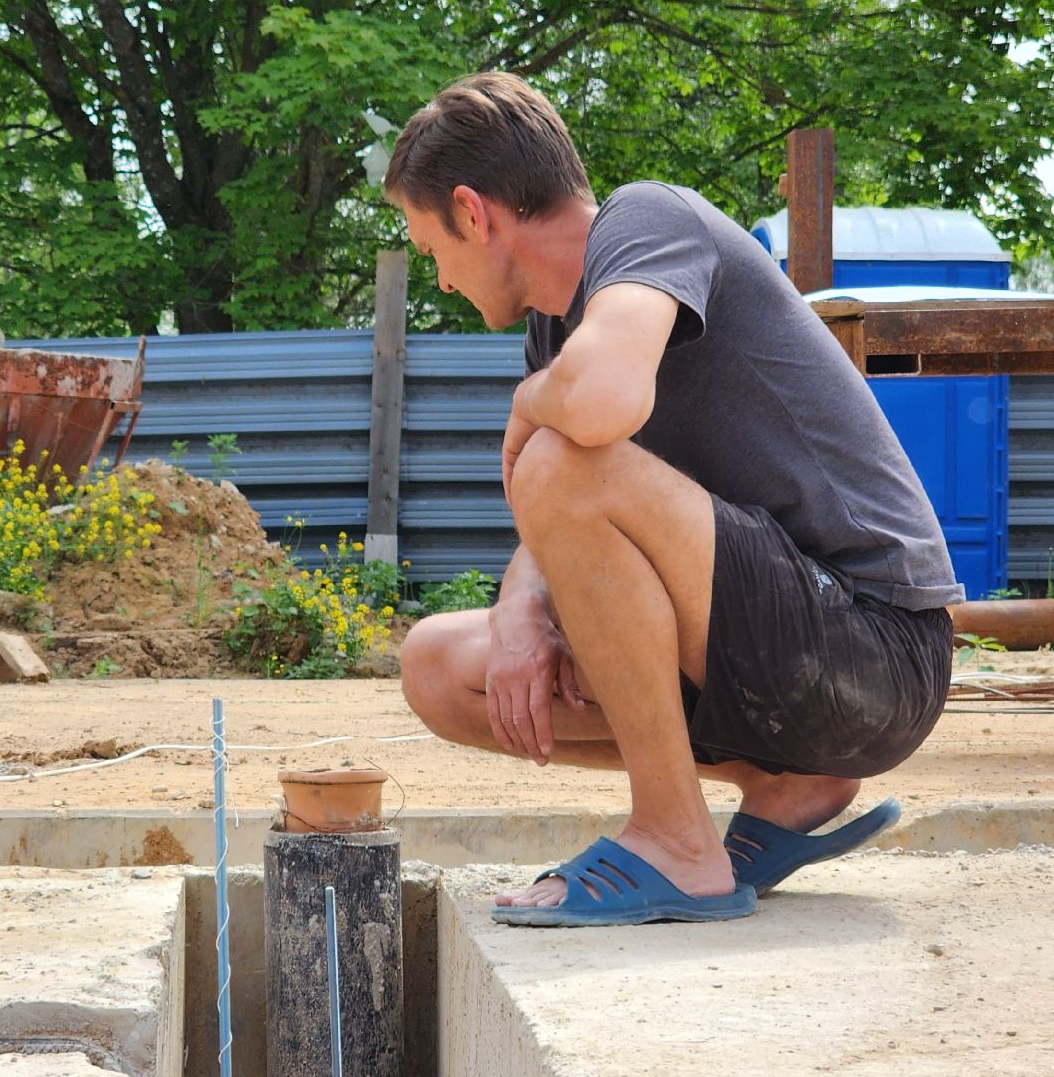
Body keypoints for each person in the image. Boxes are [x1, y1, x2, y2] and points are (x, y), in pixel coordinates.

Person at [388, 73, 960, 927]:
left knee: (555, 461)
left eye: (431, 247)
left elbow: (596, 415)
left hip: (874, 651)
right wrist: (520, 611)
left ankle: (675, 842)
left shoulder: (648, 221)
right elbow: (567, 519)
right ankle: (784, 784)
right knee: (438, 667)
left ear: (473, 213)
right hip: (776, 659)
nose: (439, 279)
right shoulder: (559, 326)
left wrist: (529, 405)